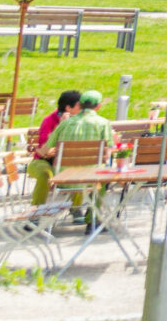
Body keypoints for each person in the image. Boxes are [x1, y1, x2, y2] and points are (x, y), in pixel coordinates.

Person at [46, 91, 116, 222]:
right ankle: (92, 219)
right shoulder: (103, 123)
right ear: (98, 106)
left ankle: (86, 215)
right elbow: (108, 152)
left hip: (63, 178)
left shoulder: (65, 123)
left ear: (80, 105)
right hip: (91, 178)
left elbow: (49, 146)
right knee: (104, 178)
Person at [29, 89, 80, 204]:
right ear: (68, 108)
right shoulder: (49, 120)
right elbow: (44, 149)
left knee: (79, 171)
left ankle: (76, 209)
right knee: (45, 175)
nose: (82, 109)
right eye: (79, 106)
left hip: (66, 161)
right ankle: (36, 210)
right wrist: (61, 127)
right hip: (43, 161)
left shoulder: (79, 122)